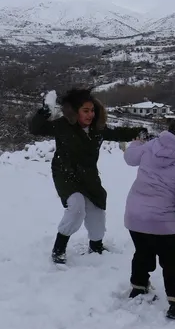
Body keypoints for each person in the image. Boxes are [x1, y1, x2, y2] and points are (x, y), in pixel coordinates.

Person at [29, 88, 146, 264]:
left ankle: (96, 246)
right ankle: (59, 249)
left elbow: (117, 133)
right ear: (75, 112)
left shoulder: (97, 129)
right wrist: (43, 113)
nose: (90, 114)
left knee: (97, 210)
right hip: (65, 173)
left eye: (92, 110)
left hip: (89, 175)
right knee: (76, 207)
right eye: (85, 110)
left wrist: (140, 132)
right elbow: (36, 129)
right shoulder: (62, 126)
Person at [123, 117, 175, 320]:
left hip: (134, 215)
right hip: (162, 220)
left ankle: (138, 287)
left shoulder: (151, 146)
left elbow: (130, 158)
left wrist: (137, 142)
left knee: (142, 251)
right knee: (171, 261)